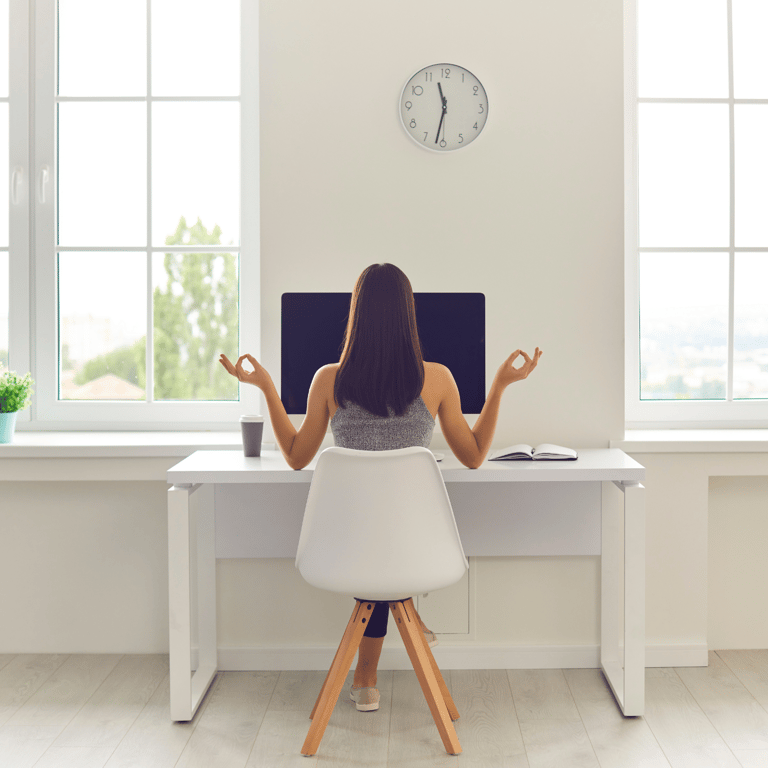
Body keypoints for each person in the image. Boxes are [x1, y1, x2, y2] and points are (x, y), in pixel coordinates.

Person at [219, 263, 542, 712]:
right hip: (415, 546)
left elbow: (295, 457)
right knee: (390, 555)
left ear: (356, 314)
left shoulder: (328, 380)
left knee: (375, 551)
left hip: (349, 544)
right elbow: (472, 455)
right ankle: (401, 613)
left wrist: (267, 388)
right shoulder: (439, 379)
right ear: (409, 315)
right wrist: (500, 387)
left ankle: (366, 677)